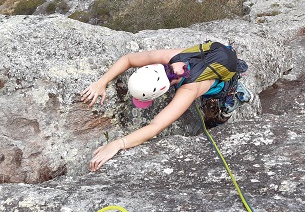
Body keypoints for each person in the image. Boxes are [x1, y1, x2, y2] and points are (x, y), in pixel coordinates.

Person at [80, 41, 253, 172]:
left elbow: (156, 126)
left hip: (222, 75)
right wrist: (101, 82)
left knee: (214, 119)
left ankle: (234, 95)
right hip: (220, 53)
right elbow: (128, 59)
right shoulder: (172, 58)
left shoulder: (189, 89)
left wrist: (118, 143)